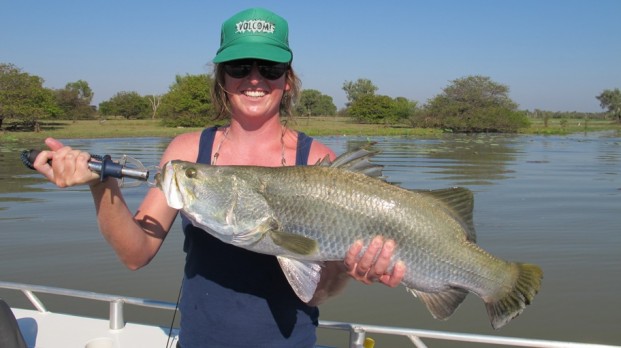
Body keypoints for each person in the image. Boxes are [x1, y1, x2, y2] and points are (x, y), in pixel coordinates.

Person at [33, 7, 405, 347]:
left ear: (287, 80)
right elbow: (136, 253)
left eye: (270, 68)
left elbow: (315, 293)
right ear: (222, 77)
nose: (254, 80)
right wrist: (102, 185)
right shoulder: (186, 153)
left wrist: (347, 269)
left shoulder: (320, 160)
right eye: (240, 67)